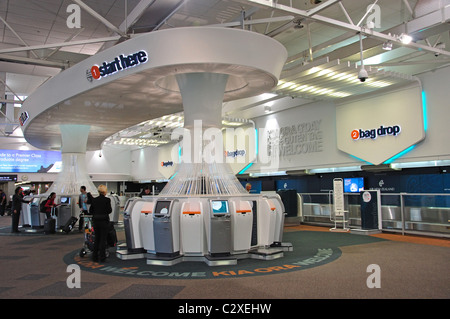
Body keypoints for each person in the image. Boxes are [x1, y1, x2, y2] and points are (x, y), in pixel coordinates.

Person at [89, 184, 112, 262]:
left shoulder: (94, 200)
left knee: (97, 239)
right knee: (103, 239)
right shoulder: (107, 200)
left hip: (95, 221)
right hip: (104, 221)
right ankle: (102, 257)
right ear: (105, 191)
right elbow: (109, 210)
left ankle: (94, 257)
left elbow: (90, 211)